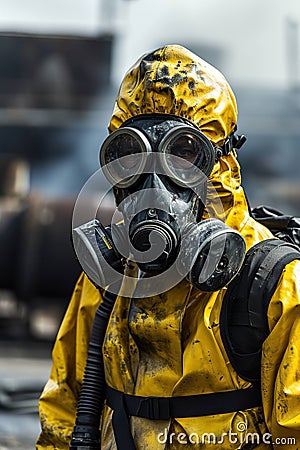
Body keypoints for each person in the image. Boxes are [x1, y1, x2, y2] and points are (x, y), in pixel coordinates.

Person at [36, 44, 300, 450]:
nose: (153, 185)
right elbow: (63, 416)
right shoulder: (110, 281)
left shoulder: (273, 287)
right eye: (132, 156)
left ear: (222, 166)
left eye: (183, 154)